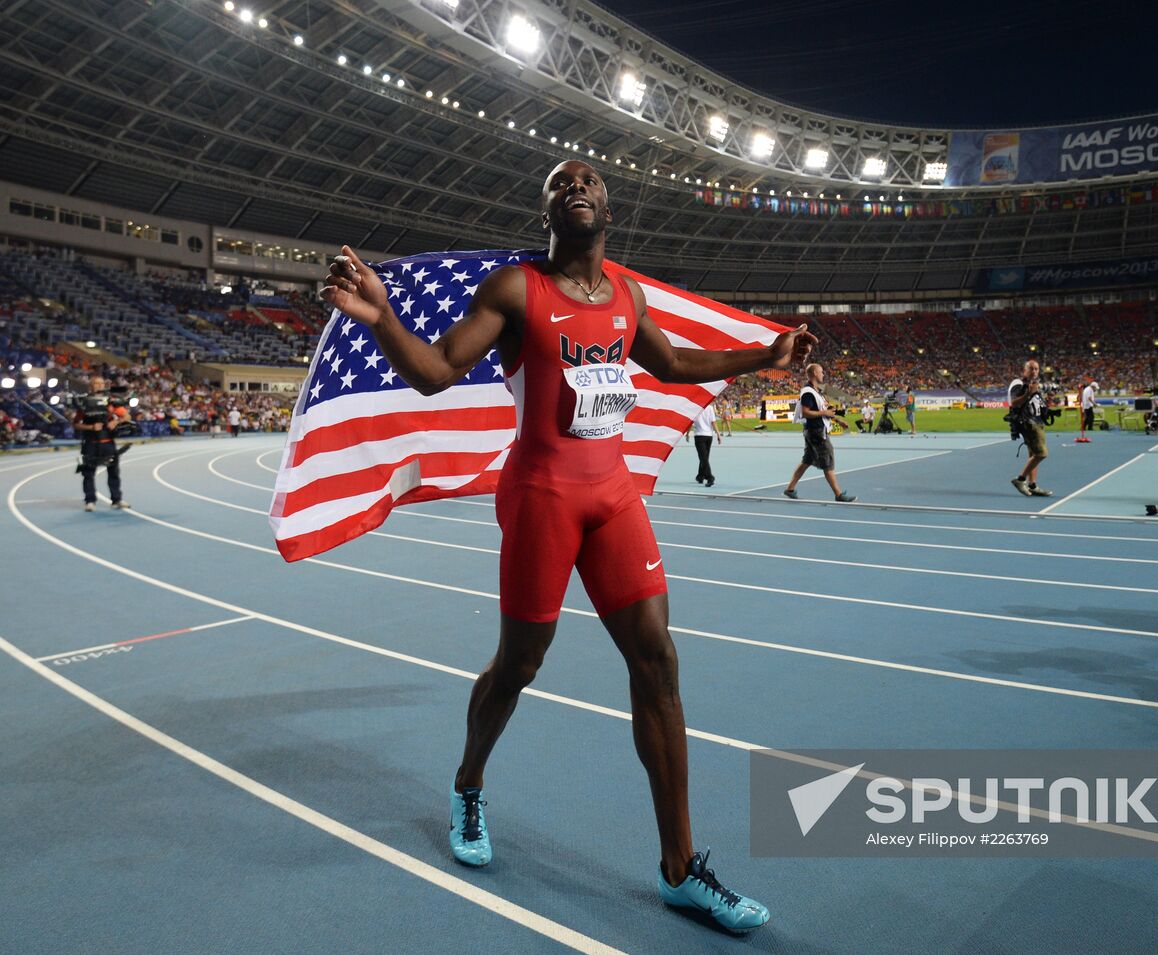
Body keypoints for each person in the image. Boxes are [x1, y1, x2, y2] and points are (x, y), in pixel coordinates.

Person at [319, 159, 814, 933]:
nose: (575, 184)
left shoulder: (626, 292)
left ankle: (681, 869)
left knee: (658, 658)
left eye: (588, 178)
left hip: (612, 494)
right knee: (521, 661)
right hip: (542, 496)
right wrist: (381, 316)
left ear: (609, 205)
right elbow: (437, 371)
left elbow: (675, 364)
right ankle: (469, 783)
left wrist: (764, 357)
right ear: (547, 207)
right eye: (560, 180)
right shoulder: (518, 290)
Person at [782, 363, 857, 503]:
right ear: (815, 373)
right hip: (816, 432)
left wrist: (838, 421)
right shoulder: (808, 392)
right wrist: (824, 412)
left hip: (813, 431)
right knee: (827, 461)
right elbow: (806, 412)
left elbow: (826, 411)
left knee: (807, 460)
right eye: (821, 372)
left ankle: (790, 489)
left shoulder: (817, 392)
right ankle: (839, 494)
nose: (823, 374)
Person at [72, 375, 129, 512]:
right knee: (88, 473)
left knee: (113, 472)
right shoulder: (84, 403)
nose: (99, 386)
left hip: (108, 442)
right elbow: (75, 424)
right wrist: (90, 427)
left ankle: (116, 500)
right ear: (90, 386)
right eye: (96, 383)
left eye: (102, 383)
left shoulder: (110, 402)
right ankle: (90, 500)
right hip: (90, 443)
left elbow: (127, 416)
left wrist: (115, 421)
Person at [1009, 359, 1052, 497]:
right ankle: (1020, 480)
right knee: (1041, 454)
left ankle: (1032, 485)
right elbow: (1013, 403)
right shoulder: (1018, 384)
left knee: (1033, 455)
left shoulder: (1035, 385)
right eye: (1031, 368)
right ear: (1024, 370)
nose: (1034, 371)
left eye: (1036, 369)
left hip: (1037, 422)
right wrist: (1028, 393)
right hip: (1028, 423)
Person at [692, 401, 719, 487]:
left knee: (703, 458)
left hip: (699, 435)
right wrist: (718, 434)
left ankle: (710, 477)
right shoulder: (710, 408)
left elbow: (691, 422)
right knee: (704, 457)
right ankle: (700, 476)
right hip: (709, 436)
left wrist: (688, 434)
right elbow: (713, 422)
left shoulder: (695, 408)